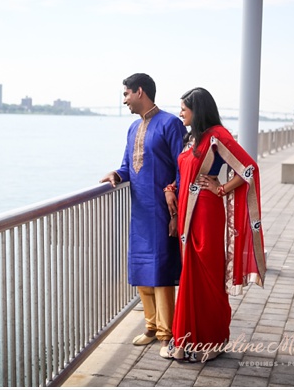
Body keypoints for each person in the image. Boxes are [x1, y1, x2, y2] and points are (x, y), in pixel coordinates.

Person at [167, 87, 266, 364]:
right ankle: (185, 339)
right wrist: (172, 188)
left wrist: (221, 188)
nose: (180, 113)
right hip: (187, 215)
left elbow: (248, 169)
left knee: (209, 277)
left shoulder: (217, 136)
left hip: (207, 214)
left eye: (184, 108)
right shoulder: (191, 139)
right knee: (189, 279)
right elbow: (183, 172)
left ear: (197, 110)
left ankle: (215, 339)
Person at [98, 73, 185, 359]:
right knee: (141, 269)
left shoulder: (170, 123)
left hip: (162, 211)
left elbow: (182, 169)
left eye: (126, 94)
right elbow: (127, 164)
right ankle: (150, 326)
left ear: (140, 91)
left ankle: (166, 334)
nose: (124, 100)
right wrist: (116, 173)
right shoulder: (133, 128)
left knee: (160, 271)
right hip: (140, 214)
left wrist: (176, 212)